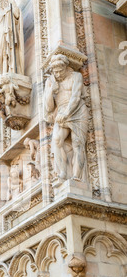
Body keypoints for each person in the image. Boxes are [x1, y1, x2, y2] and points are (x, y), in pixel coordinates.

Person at [44, 54, 89, 182]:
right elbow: (48, 108)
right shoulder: (51, 81)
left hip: (77, 110)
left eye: (60, 71)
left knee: (78, 143)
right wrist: (50, 91)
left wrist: (66, 113)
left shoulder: (76, 76)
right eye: (55, 72)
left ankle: (76, 176)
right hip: (61, 112)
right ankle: (63, 172)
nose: (58, 74)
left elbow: (75, 97)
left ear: (65, 68)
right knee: (57, 140)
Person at [0, 0, 24, 75]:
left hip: (5, 34)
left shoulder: (7, 12)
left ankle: (5, 73)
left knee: (5, 53)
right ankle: (2, 73)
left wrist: (13, 2)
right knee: (0, 55)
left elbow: (17, 15)